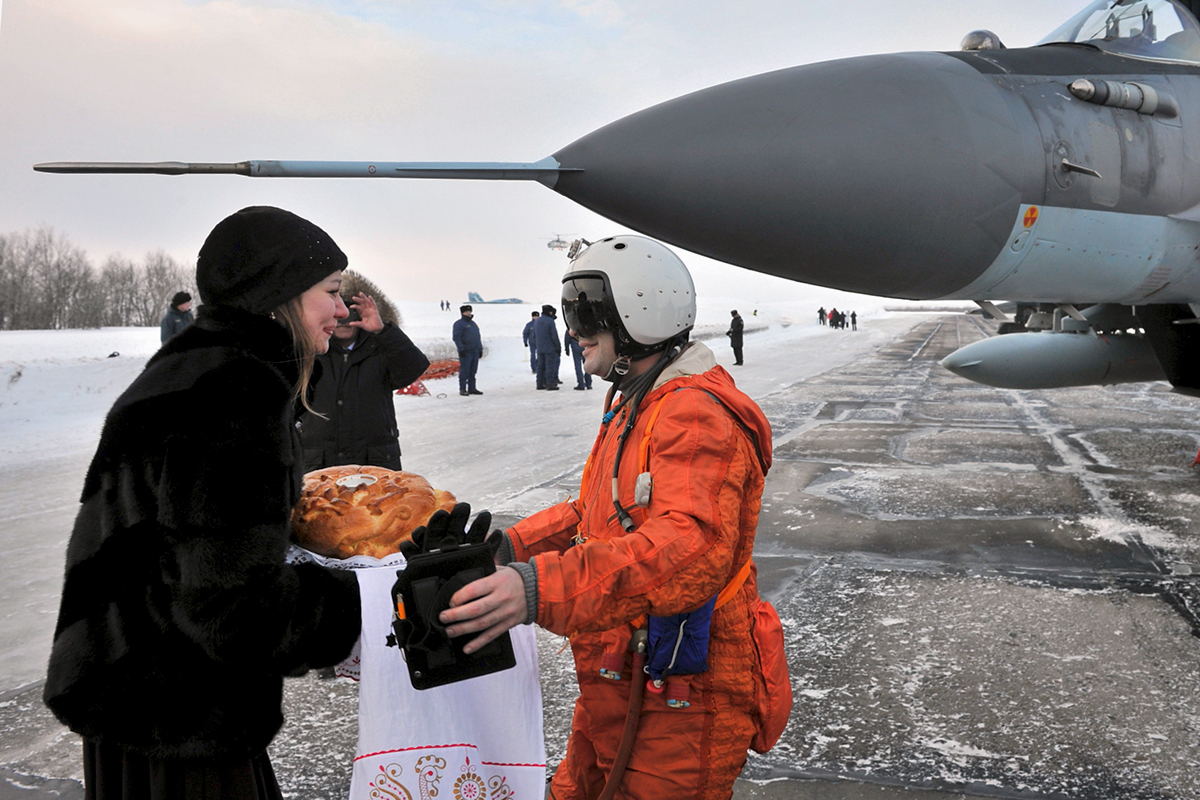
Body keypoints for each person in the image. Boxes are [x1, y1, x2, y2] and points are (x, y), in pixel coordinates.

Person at [439, 235, 790, 800]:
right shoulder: (638, 399)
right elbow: (597, 512)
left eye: (586, 315)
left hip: (682, 693)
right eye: (572, 313)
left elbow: (690, 551)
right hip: (618, 669)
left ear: (641, 314)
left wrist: (540, 589)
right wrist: (509, 550)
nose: (575, 331)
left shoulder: (693, 412)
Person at [43, 206, 363, 800]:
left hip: (134, 695)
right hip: (179, 719)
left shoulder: (193, 367)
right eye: (331, 290)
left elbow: (189, 549)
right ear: (278, 295)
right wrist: (360, 599)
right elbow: (231, 609)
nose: (342, 310)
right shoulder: (236, 393)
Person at [301, 280, 429, 473]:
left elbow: (413, 368)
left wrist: (383, 331)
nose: (344, 321)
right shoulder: (309, 353)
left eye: (351, 313)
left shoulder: (382, 349)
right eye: (335, 313)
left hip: (374, 461)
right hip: (318, 462)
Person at [452, 304, 483, 396]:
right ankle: (462, 389)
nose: (469, 313)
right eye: (466, 312)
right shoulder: (459, 324)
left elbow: (477, 337)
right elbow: (456, 337)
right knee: (465, 371)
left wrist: (480, 348)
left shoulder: (473, 324)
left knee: (473, 371)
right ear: (462, 313)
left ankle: (472, 388)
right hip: (466, 351)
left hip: (475, 351)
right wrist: (461, 349)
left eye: (469, 311)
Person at [533, 303, 561, 390]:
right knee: (550, 367)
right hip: (550, 348)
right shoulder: (550, 321)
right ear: (550, 312)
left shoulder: (537, 321)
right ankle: (550, 384)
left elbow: (534, 335)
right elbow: (554, 336)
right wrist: (558, 347)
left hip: (540, 348)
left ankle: (539, 384)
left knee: (540, 367)